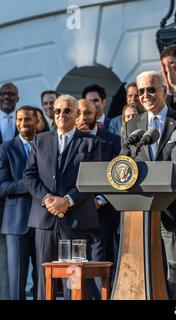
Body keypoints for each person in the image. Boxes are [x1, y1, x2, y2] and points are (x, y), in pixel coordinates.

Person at [121, 70, 176, 300]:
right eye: (141, 91)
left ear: (164, 90)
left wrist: (173, 185)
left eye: (151, 89)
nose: (146, 95)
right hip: (141, 217)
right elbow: (123, 166)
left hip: (175, 213)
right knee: (147, 275)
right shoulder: (132, 127)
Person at [23, 94, 101, 299]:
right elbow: (29, 176)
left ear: (76, 114)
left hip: (76, 221)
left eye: (67, 110)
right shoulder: (40, 140)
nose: (61, 114)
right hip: (44, 220)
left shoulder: (91, 143)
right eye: (57, 111)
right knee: (43, 279)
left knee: (74, 280)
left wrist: (68, 200)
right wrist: (47, 199)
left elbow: (93, 180)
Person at [76, 98, 120, 299]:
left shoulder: (112, 141)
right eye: (79, 113)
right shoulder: (69, 140)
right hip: (74, 213)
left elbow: (120, 176)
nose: (83, 117)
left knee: (98, 264)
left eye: (88, 113)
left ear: (97, 114)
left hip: (101, 213)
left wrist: (100, 199)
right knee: (75, 267)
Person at [0, 106, 39, 300]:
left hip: (43, 221)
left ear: (37, 121)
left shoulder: (46, 144)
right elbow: (2, 186)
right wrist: (31, 184)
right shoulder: (6, 148)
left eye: (28, 119)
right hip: (16, 223)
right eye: (20, 119)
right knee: (17, 283)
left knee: (43, 280)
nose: (24, 123)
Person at [0, 81, 20, 299]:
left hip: (19, 200)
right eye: (4, 94)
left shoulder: (25, 120)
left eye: (11, 94)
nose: (7, 97)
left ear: (18, 98)